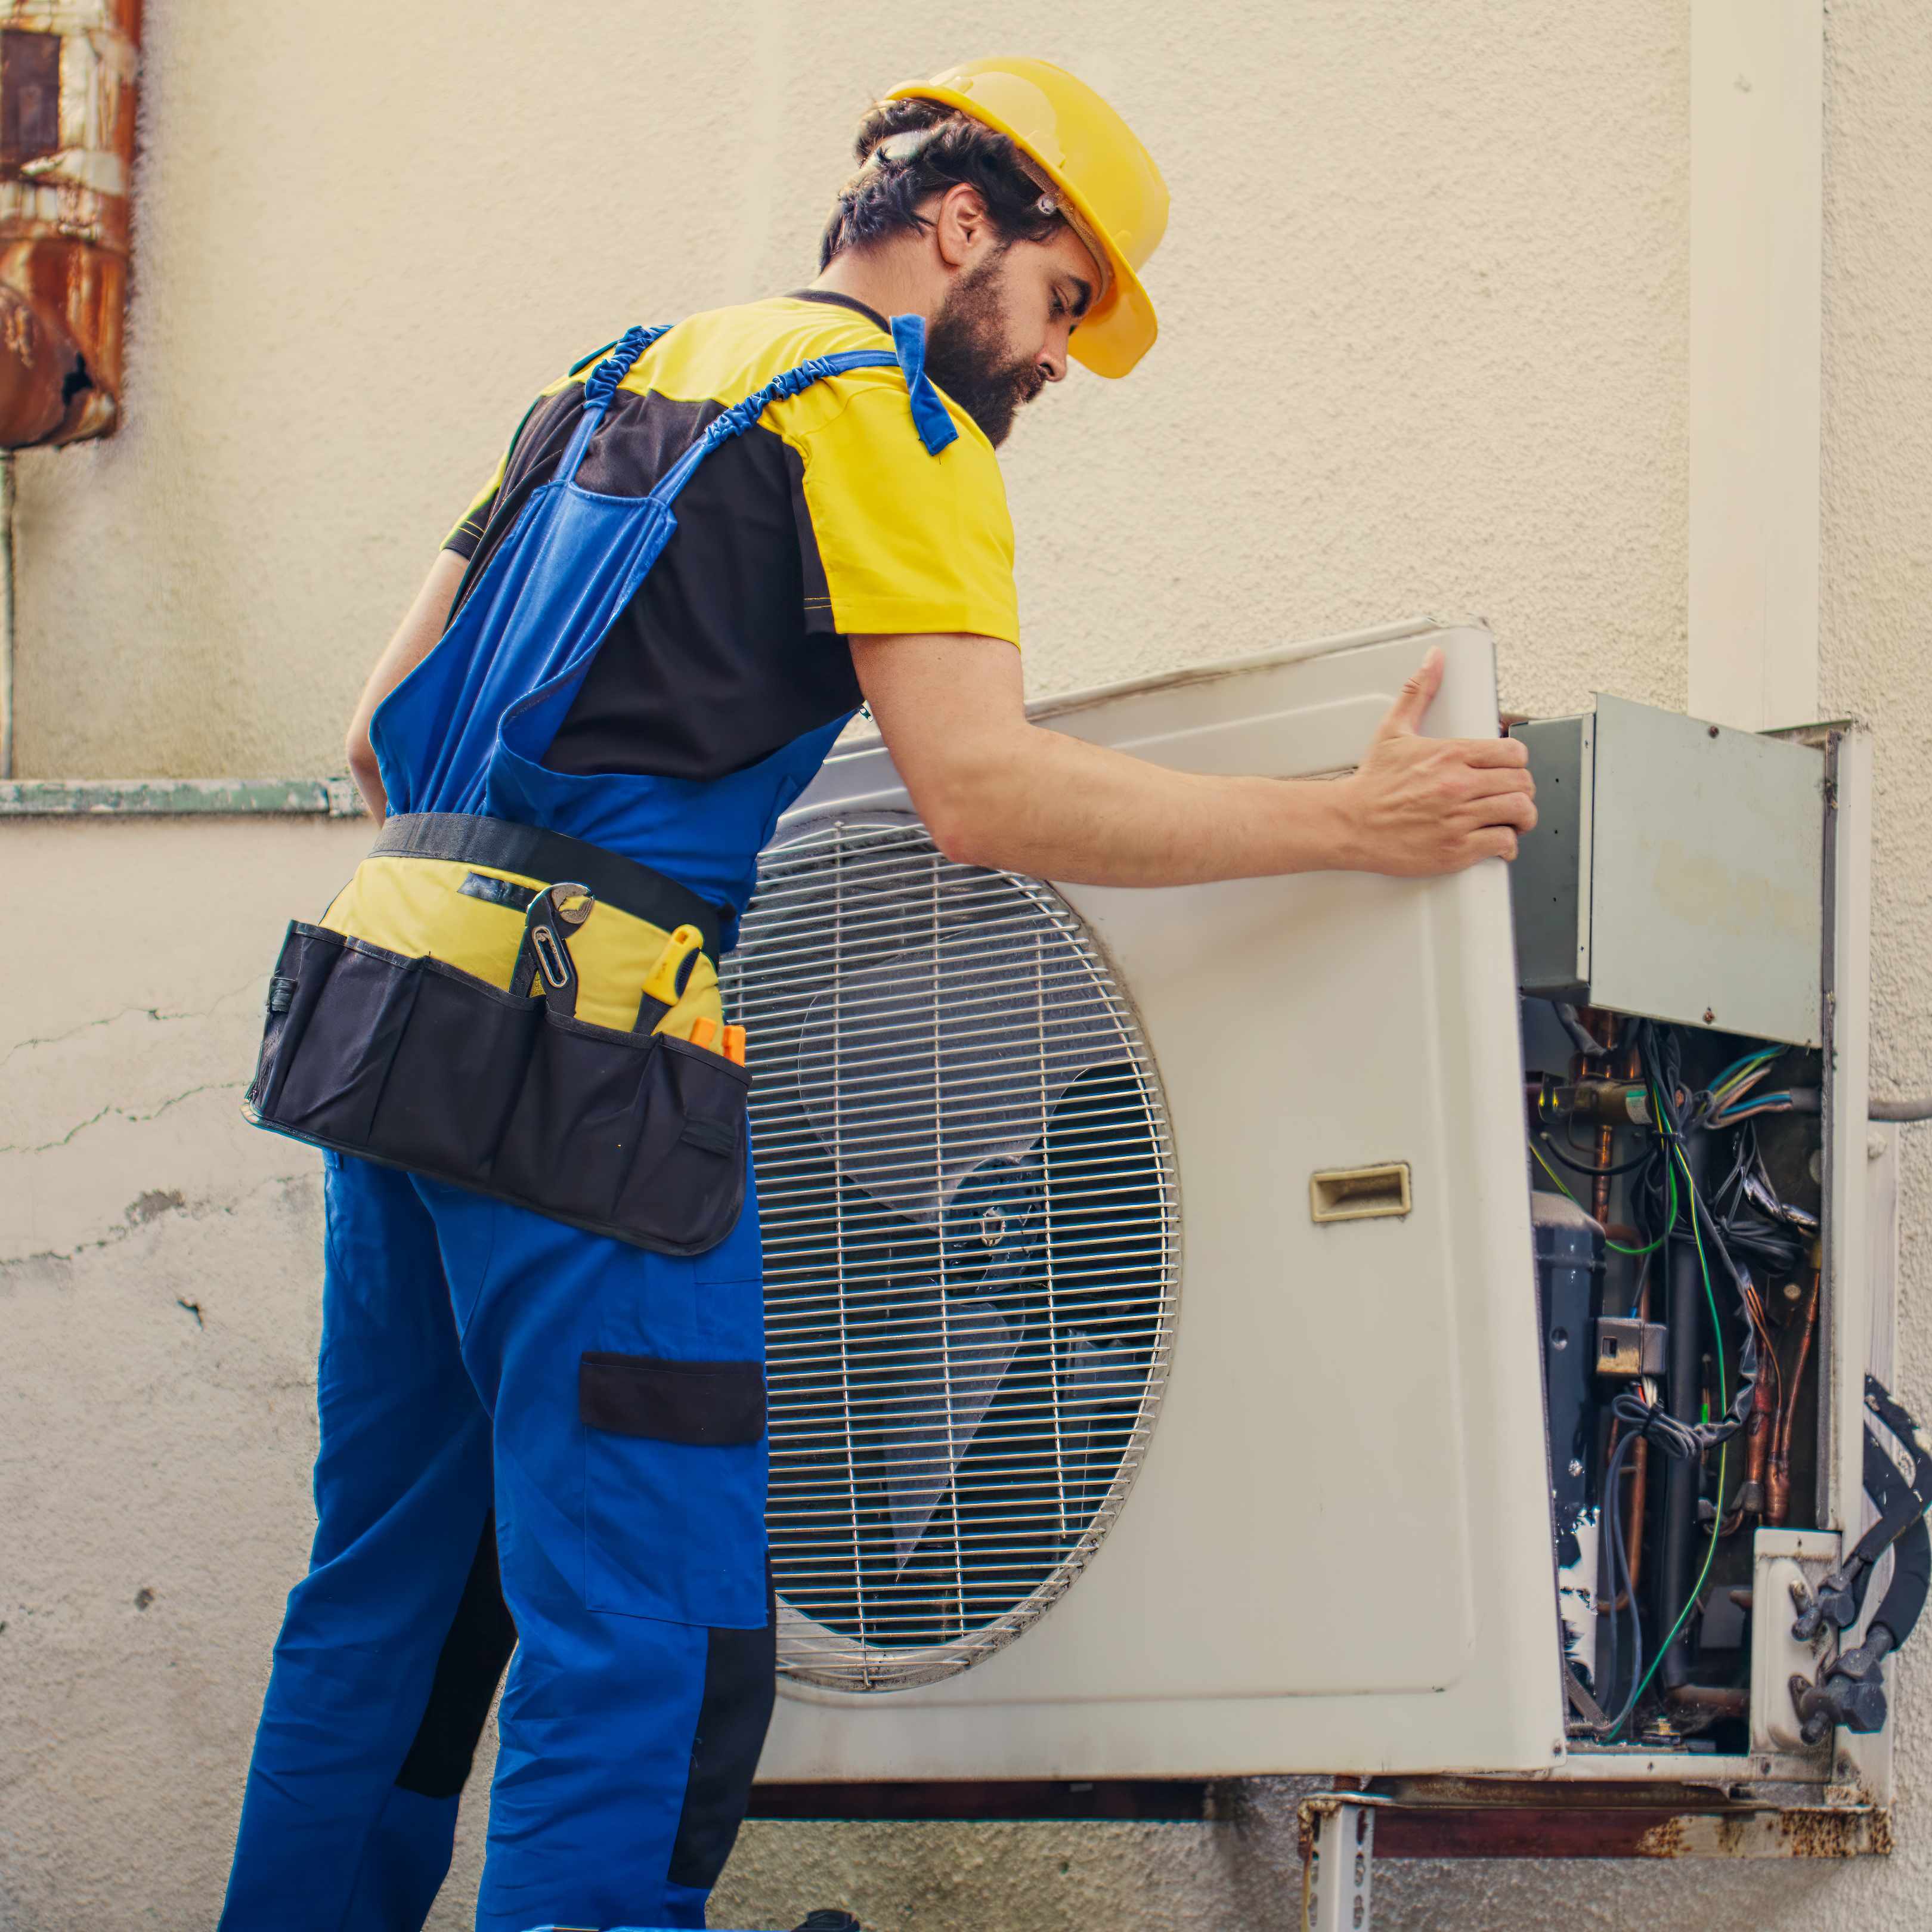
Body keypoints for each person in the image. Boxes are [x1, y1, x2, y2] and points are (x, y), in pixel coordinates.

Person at [219, 55, 1535, 1932]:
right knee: (647, 1635)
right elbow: (981, 789)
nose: (1060, 360)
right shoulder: (888, 423)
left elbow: (374, 736)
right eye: (1067, 299)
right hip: (586, 1065)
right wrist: (1349, 816)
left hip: (380, 1014)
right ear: (965, 220)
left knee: (394, 1609)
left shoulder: (607, 375)